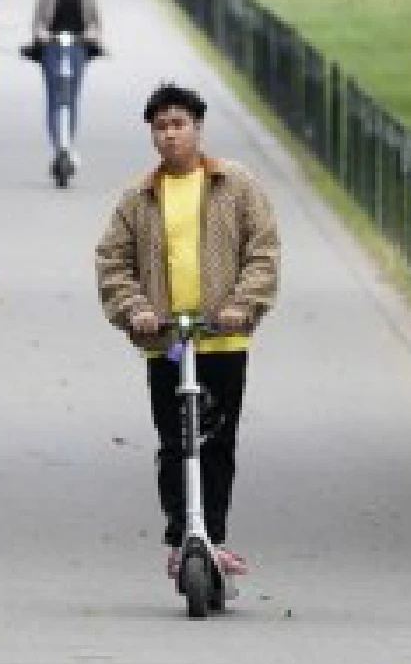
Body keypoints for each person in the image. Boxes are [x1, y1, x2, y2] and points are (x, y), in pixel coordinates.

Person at [93, 83, 280, 584]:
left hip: (222, 339)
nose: (171, 134)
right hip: (169, 343)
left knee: (217, 441)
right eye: (161, 127)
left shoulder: (234, 185)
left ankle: (213, 537)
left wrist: (243, 304)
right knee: (175, 442)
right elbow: (113, 262)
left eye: (179, 124)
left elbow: (262, 250)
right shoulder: (139, 197)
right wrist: (135, 310)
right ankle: (181, 537)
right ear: (152, 135)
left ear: (197, 129)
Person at [26, 0, 103, 177]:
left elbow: (95, 22)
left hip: (77, 47)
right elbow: (39, 21)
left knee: (71, 96)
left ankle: (68, 143)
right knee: (54, 95)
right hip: (53, 47)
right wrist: (41, 33)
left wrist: (92, 33)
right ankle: (59, 146)